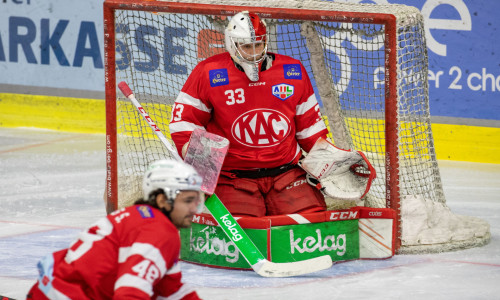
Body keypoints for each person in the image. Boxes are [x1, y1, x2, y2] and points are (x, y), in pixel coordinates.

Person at [169, 11, 330, 217]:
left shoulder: (293, 71)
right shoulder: (208, 72)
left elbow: (310, 130)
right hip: (233, 178)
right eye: (246, 46)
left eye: (258, 45)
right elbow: (185, 122)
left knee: (312, 221)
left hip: (287, 174)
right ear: (232, 44)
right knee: (239, 234)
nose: (254, 52)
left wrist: (330, 162)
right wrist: (201, 168)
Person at [27, 159, 204, 300]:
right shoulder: (161, 231)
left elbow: (172, 289)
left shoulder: (138, 216)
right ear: (162, 200)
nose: (194, 208)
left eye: (196, 201)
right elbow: (130, 294)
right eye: (187, 201)